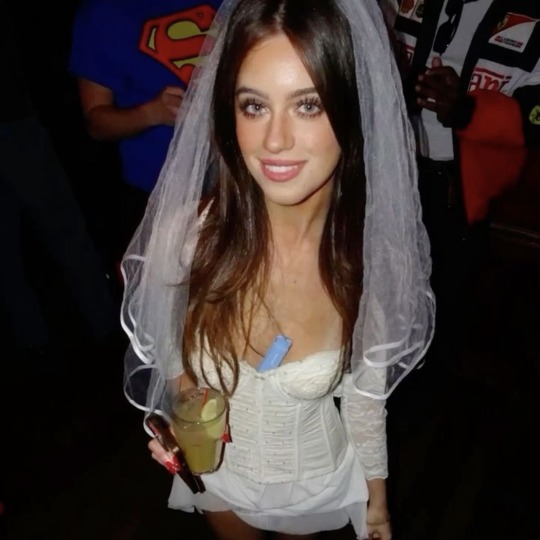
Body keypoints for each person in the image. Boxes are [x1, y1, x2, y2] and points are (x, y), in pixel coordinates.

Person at [120, 0, 435, 539]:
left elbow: (365, 404)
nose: (274, 140)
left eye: (308, 105)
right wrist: (184, 413)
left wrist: (377, 505)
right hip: (218, 479)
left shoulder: (370, 261)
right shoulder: (189, 236)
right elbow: (171, 350)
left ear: (355, 109)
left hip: (312, 487)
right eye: (254, 106)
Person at [393, 0, 540, 363]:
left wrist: (466, 109)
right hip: (392, 174)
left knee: (447, 310)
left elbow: (534, 118)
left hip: (465, 194)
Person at [0, 0, 118, 371]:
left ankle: (101, 333)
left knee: (59, 235)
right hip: (17, 125)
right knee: (58, 234)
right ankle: (97, 334)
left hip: (20, 119)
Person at [68, 0, 223, 258]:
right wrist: (152, 113)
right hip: (159, 193)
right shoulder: (104, 13)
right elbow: (96, 121)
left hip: (237, 174)